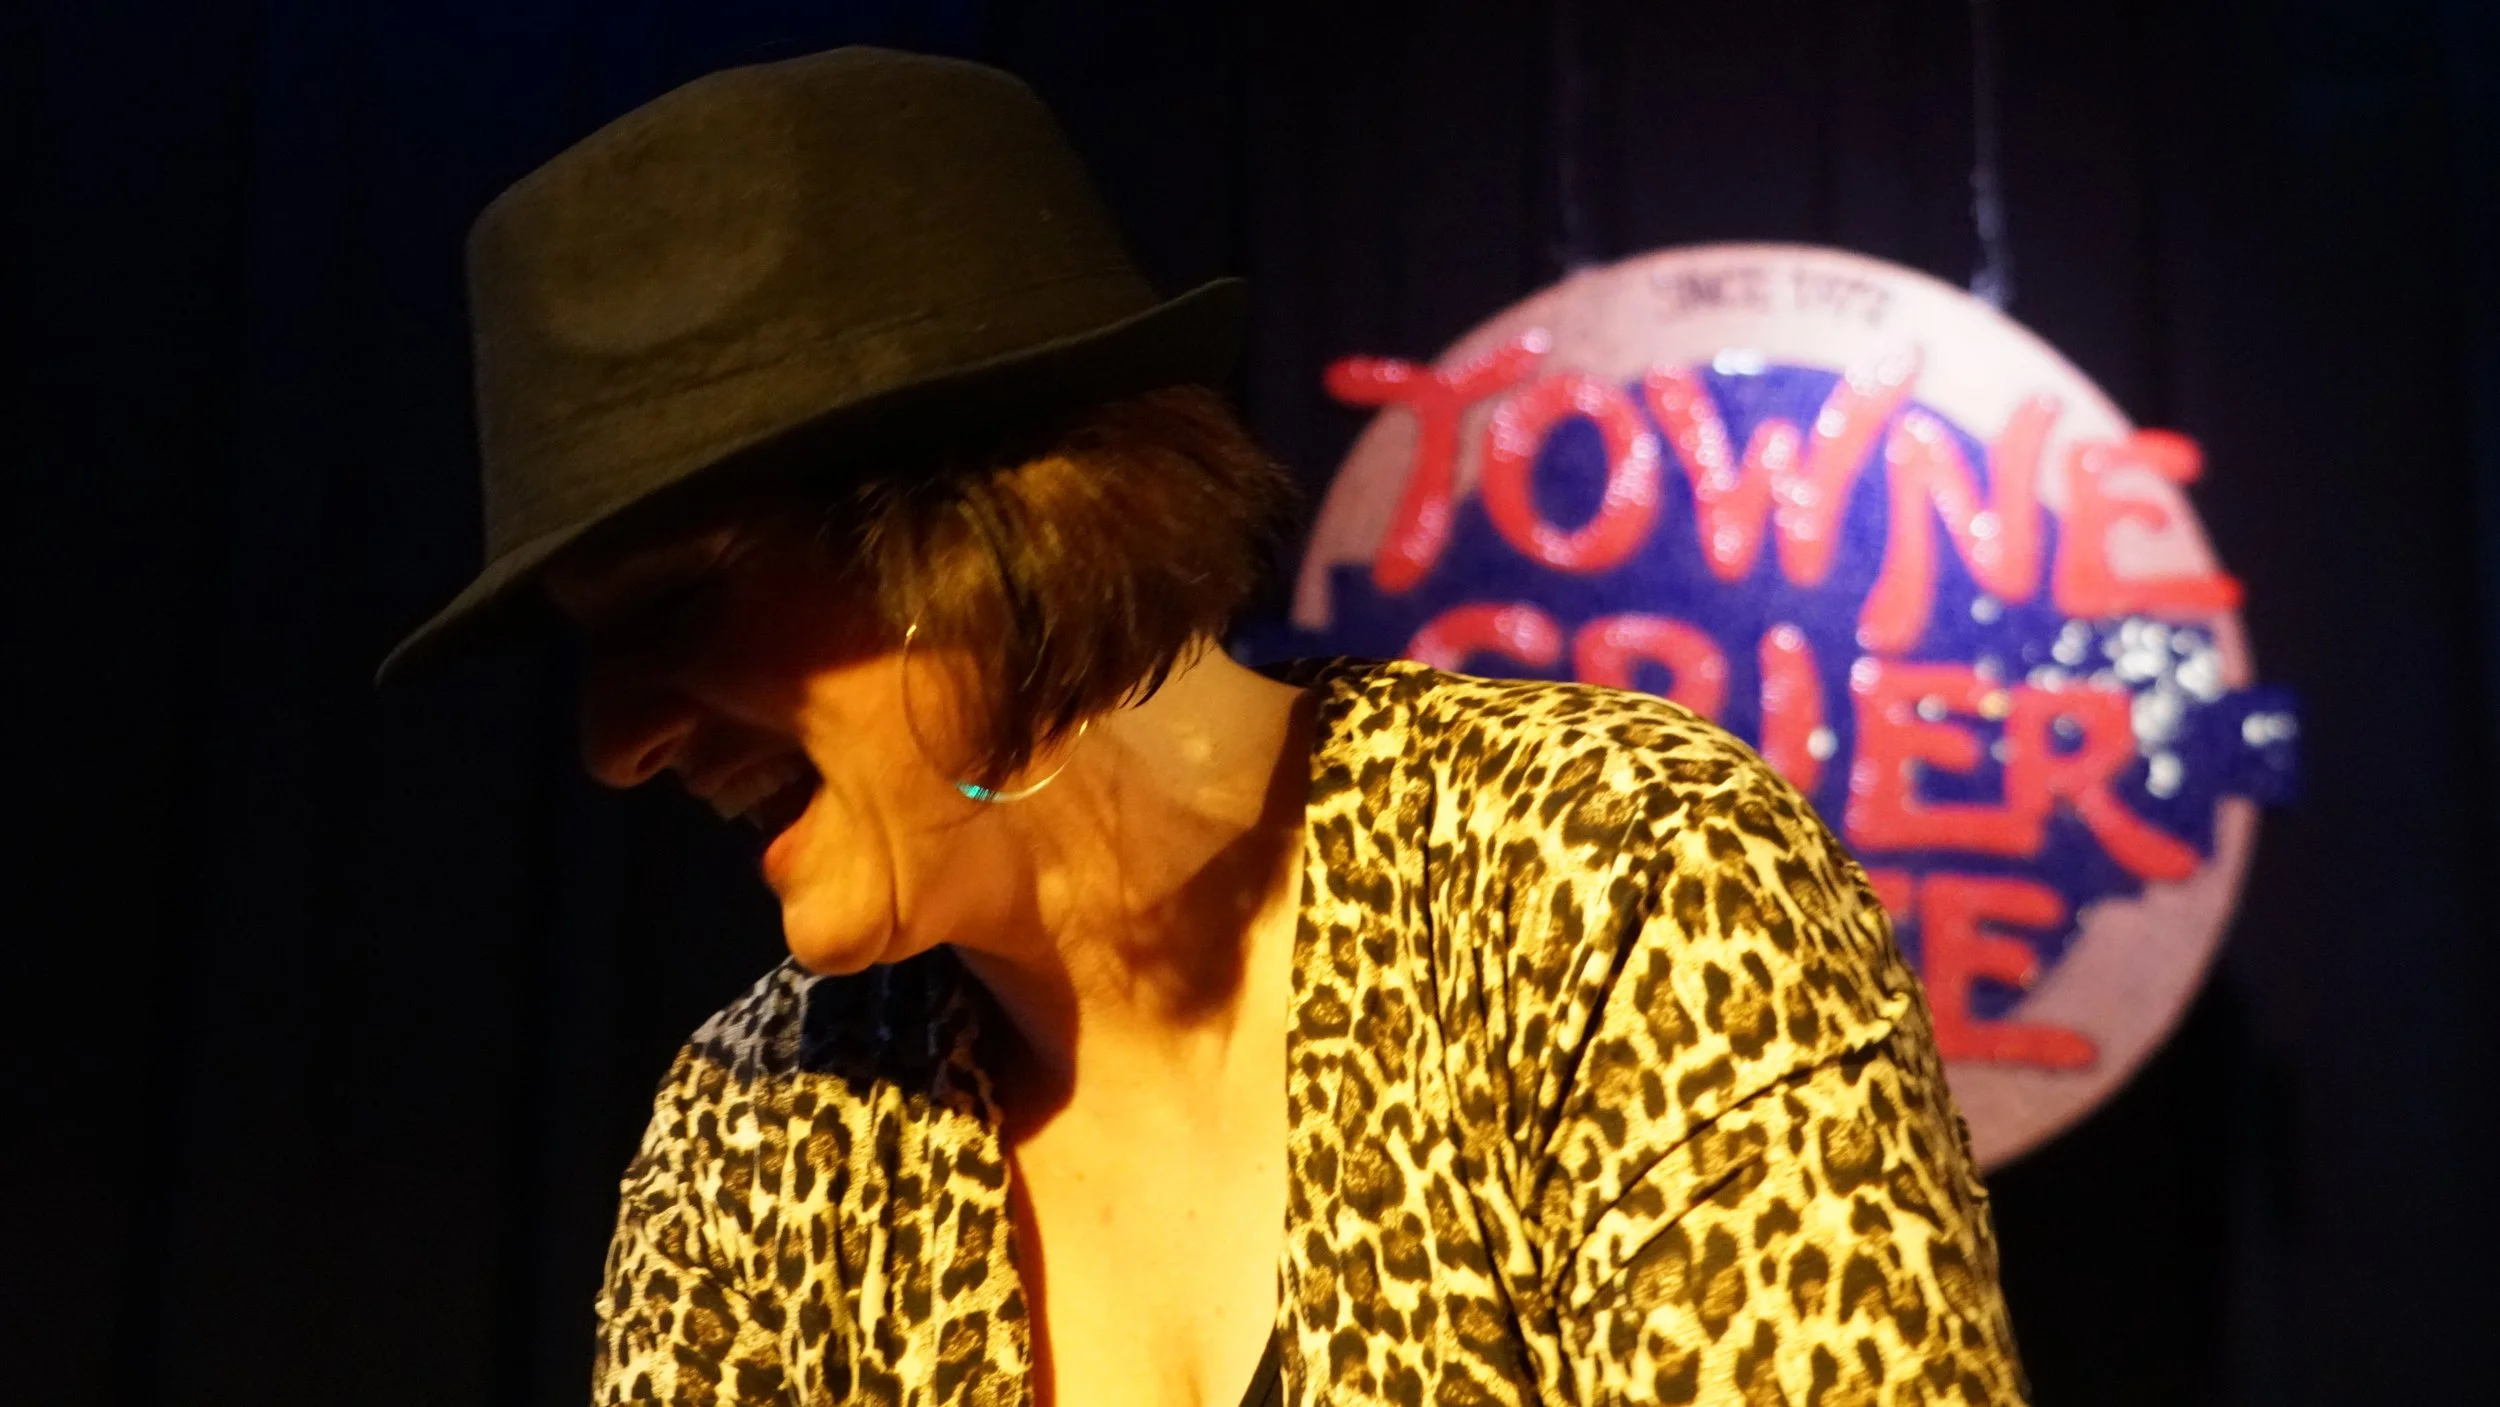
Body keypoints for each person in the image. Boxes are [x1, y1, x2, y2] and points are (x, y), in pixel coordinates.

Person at [380, 46, 2029, 1407]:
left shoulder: (1610, 881)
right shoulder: (759, 1131)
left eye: (678, 603)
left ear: (987, 533)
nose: (616, 743)